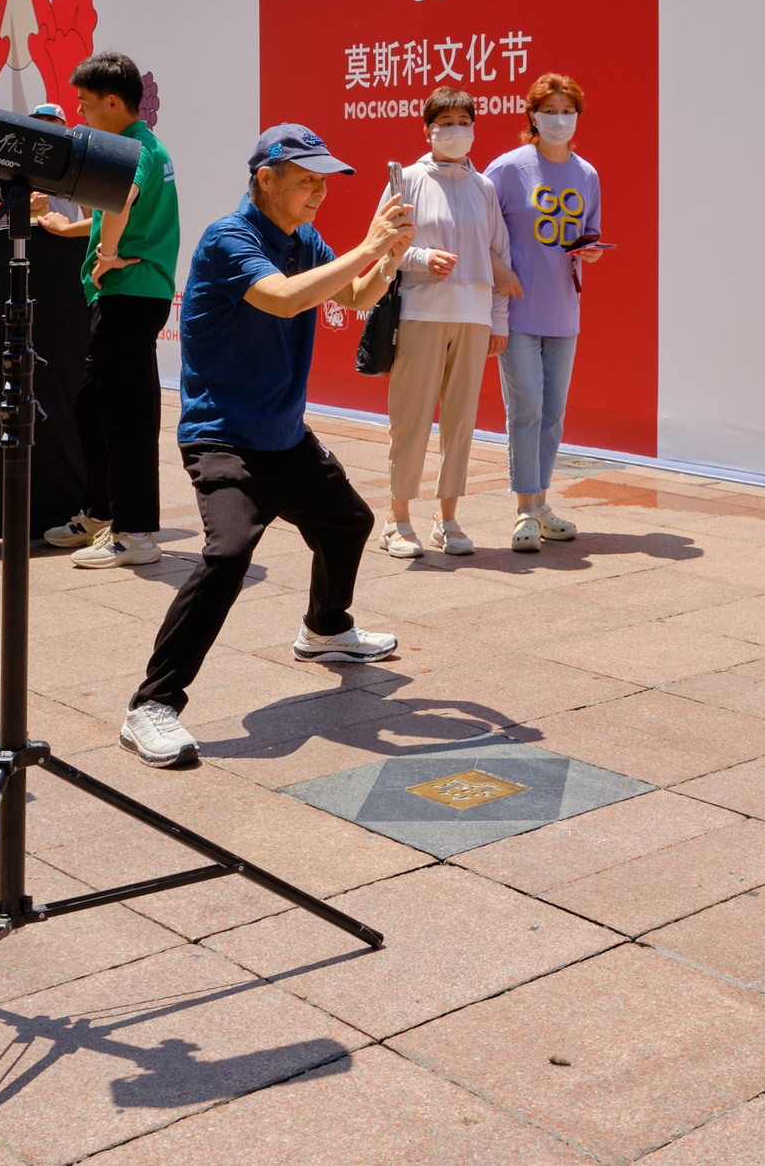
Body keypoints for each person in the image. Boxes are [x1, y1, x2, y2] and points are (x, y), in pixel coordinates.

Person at [117, 126, 410, 766]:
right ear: (266, 177)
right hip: (224, 436)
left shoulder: (302, 239)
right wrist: (368, 245)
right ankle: (152, 705)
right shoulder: (230, 238)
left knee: (349, 522)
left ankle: (324, 630)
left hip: (284, 436)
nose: (320, 192)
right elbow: (280, 300)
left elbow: (353, 294)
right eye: (307, 179)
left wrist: (386, 259)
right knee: (227, 557)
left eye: (324, 180)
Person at [35, 53, 179, 570]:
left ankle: (136, 533)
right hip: (124, 294)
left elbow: (119, 202)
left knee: (128, 417)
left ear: (114, 102)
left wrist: (105, 256)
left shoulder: (133, 150)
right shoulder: (142, 146)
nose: (81, 113)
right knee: (92, 406)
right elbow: (108, 213)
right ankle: (100, 513)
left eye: (86, 104)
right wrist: (75, 233)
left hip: (130, 293)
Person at [382, 87, 519, 559]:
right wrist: (421, 256)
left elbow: (499, 256)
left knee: (460, 423)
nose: (457, 130)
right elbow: (383, 246)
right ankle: (398, 520)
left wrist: (497, 319)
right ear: (428, 130)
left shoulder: (484, 188)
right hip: (423, 313)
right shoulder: (408, 179)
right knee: (412, 419)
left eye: (465, 120)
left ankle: (448, 518)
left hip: (474, 318)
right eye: (447, 121)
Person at [486, 73, 608, 553]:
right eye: (550, 110)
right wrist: (499, 271)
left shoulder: (587, 174)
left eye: (568, 110)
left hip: (563, 309)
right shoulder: (508, 169)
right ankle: (523, 510)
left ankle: (540, 503)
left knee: (553, 413)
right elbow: (481, 231)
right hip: (518, 311)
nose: (559, 119)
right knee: (527, 407)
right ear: (532, 116)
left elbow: (590, 232)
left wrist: (592, 250)